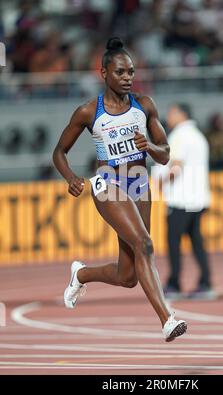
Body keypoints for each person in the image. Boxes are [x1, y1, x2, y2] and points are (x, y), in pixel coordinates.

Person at [52, 37, 187, 342]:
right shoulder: (89, 112)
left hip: (139, 181)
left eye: (131, 73)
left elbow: (165, 154)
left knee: (128, 277)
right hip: (108, 183)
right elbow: (59, 151)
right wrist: (71, 177)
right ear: (104, 73)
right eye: (121, 72)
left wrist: (149, 146)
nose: (128, 78)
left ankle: (81, 274)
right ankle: (167, 319)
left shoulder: (145, 105)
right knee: (145, 244)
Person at [154, 103, 216, 300]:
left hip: (181, 199)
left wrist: (162, 182)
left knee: (173, 242)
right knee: (197, 242)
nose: (169, 116)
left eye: (172, 112)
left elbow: (176, 166)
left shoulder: (179, 135)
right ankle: (205, 283)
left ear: (182, 114)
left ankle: (174, 284)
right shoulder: (198, 136)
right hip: (198, 197)